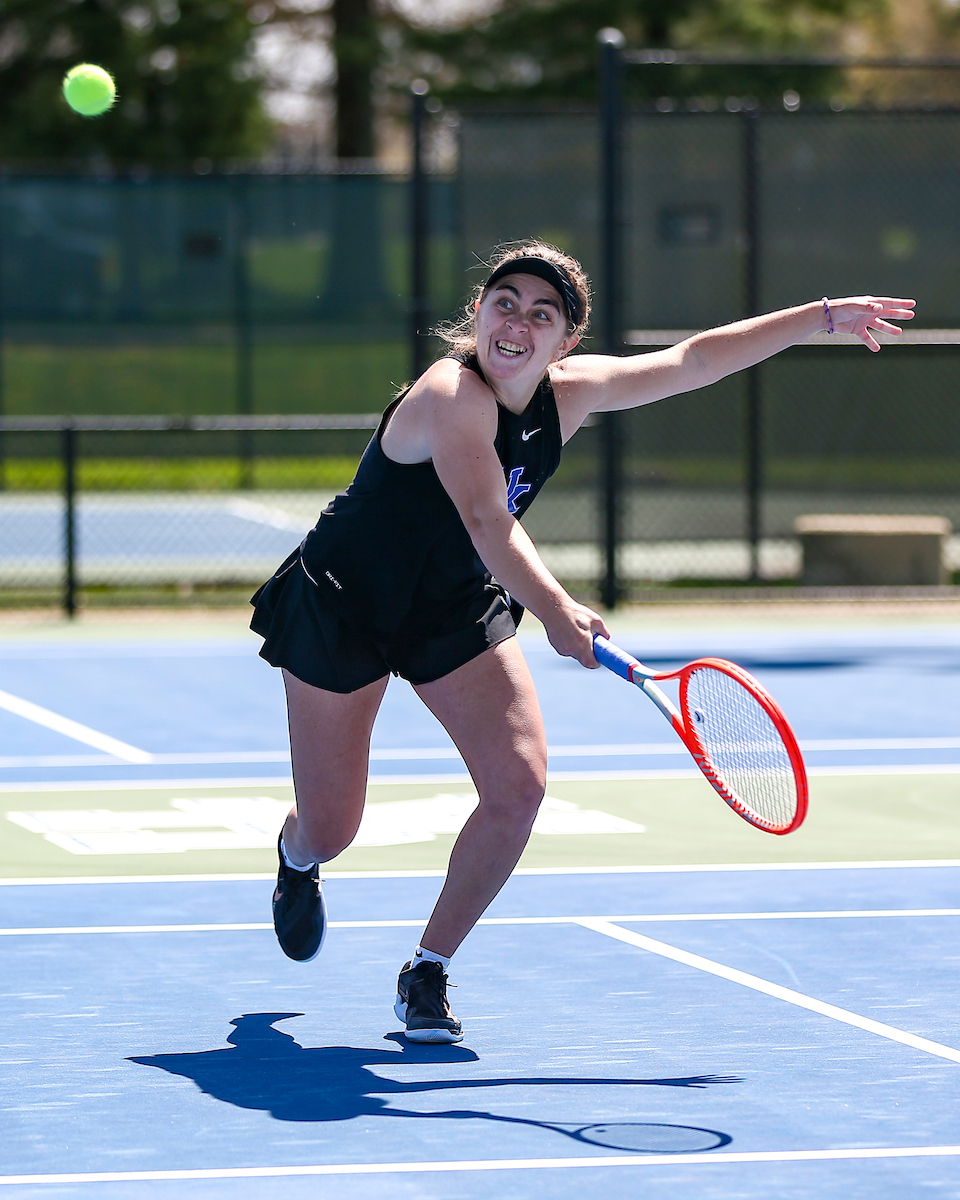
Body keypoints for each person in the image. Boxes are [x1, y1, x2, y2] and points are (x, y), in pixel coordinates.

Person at [251, 241, 914, 1043]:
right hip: (345, 605)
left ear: (567, 341)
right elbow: (487, 521)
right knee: (334, 828)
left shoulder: (569, 396)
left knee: (518, 790)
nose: (518, 323)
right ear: (479, 314)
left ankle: (427, 969)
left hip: (451, 609)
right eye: (506, 302)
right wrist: (561, 611)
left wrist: (820, 317)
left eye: (543, 314)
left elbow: (693, 360)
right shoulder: (449, 395)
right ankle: (297, 855)